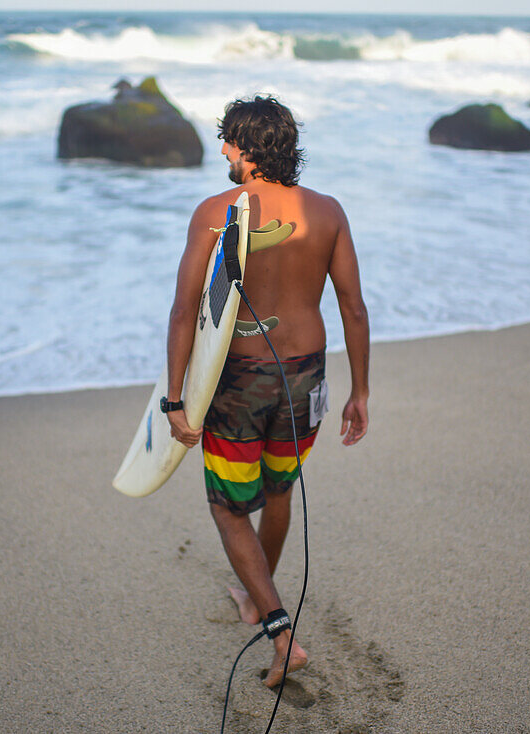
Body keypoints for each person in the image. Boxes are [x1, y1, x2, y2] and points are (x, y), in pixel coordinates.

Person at [164, 96, 370, 689]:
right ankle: (257, 598)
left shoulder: (215, 211)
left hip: (240, 382)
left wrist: (175, 399)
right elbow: (353, 307)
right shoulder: (327, 212)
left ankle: (279, 631)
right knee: (280, 488)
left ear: (248, 149)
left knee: (228, 506)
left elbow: (185, 311)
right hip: (306, 376)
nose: (223, 151)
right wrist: (360, 391)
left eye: (228, 141)